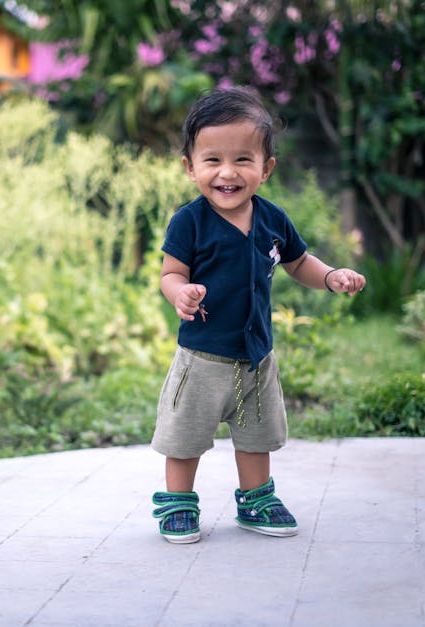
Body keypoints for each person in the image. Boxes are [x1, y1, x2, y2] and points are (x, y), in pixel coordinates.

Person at [151, 86, 366, 543]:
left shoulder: (272, 219)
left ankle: (256, 499)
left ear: (265, 168)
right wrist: (180, 293)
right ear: (190, 167)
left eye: (243, 160)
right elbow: (171, 273)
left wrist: (329, 276)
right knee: (185, 436)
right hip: (203, 356)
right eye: (212, 160)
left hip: (256, 356)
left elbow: (297, 263)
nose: (227, 172)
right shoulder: (189, 222)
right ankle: (178, 504)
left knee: (256, 435)